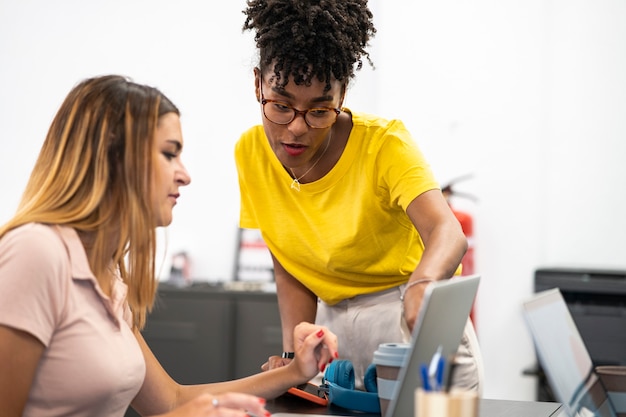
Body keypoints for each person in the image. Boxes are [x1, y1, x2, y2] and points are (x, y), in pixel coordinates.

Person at [0, 75, 339, 417]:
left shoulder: (106, 276)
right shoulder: (36, 252)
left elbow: (171, 400)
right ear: (112, 157)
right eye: (168, 154)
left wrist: (295, 373)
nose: (184, 174)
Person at [235, 0, 484, 393]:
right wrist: (290, 358)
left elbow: (447, 231)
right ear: (257, 84)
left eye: (319, 110)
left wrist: (422, 286)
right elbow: (287, 265)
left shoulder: (385, 145)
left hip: (408, 319)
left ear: (342, 94)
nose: (297, 128)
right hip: (333, 335)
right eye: (281, 106)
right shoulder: (250, 153)